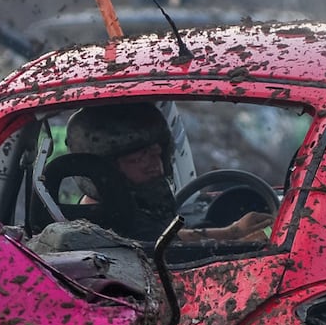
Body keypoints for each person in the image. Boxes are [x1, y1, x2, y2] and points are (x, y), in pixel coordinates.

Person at [63, 103, 269, 245]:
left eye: (156, 155)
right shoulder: (105, 221)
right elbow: (163, 248)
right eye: (136, 160)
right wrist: (236, 236)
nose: (154, 166)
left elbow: (164, 237)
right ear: (102, 169)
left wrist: (232, 232)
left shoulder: (121, 207)